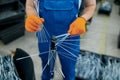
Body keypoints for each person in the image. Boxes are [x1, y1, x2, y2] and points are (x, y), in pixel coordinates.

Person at [25, 0, 96, 80]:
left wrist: (83, 19)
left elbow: (90, 5)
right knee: (47, 65)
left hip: (70, 37)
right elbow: (30, 5)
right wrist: (31, 16)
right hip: (46, 36)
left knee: (69, 69)